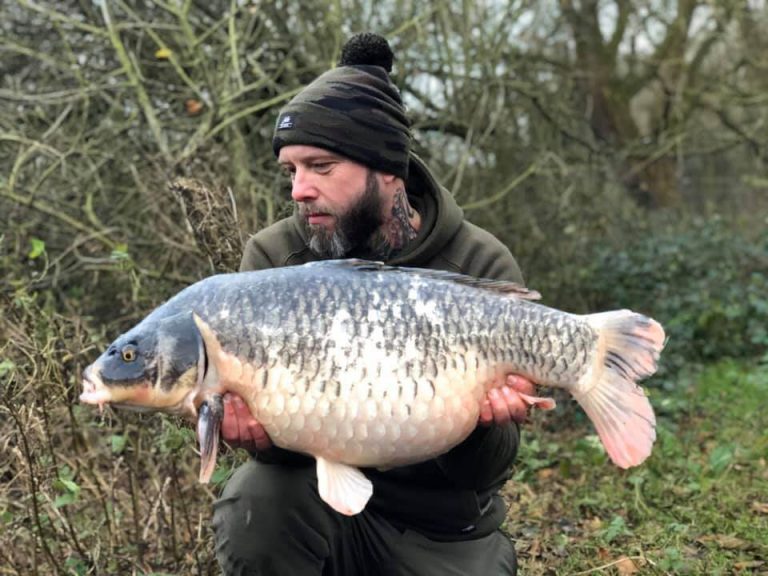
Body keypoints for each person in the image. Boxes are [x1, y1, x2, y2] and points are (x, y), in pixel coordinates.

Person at [212, 32, 537, 576]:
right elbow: (279, 447)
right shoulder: (273, 257)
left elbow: (487, 471)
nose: (298, 190)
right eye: (290, 171)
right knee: (257, 500)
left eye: (320, 167)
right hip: (319, 510)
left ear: (388, 170)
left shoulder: (476, 259)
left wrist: (485, 425)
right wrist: (258, 436)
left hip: (441, 531)